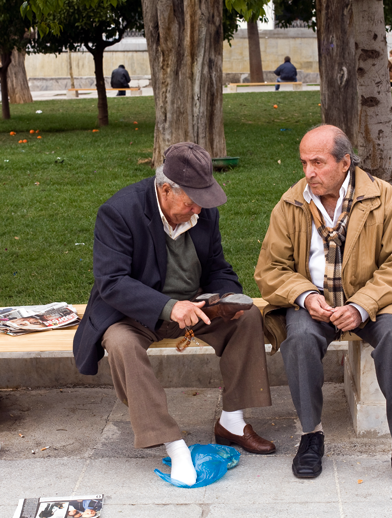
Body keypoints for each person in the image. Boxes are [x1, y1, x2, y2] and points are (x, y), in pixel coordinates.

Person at [73, 142, 275, 487]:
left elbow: (216, 266)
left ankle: (232, 420)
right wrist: (169, 307)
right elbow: (112, 282)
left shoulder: (203, 211)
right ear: (165, 190)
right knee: (121, 344)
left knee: (249, 317)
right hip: (134, 311)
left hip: (194, 305)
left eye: (202, 200)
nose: (198, 209)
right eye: (191, 201)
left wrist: (225, 296)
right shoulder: (119, 212)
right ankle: (173, 443)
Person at [255, 124, 392, 493]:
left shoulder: (384, 199)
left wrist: (362, 305)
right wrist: (304, 296)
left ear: (345, 162)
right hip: (314, 301)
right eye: (304, 163)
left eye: (318, 162)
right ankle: (311, 435)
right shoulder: (291, 203)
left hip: (374, 299)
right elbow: (270, 269)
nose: (309, 172)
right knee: (298, 336)